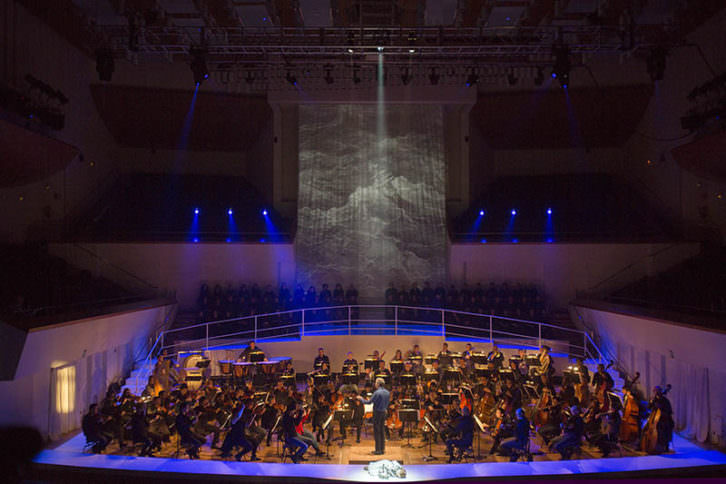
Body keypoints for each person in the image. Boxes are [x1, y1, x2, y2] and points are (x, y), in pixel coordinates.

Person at [358, 378, 391, 455]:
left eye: (376, 383)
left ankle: (378, 450)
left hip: (377, 413)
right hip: (384, 412)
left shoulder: (377, 393)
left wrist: (361, 399)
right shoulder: (387, 392)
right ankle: (382, 449)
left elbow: (369, 402)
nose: (375, 384)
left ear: (378, 384)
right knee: (382, 431)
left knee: (377, 431)